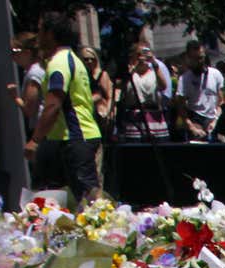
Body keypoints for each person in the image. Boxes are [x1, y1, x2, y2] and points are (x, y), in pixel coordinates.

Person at [25, 11, 100, 202]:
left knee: (86, 200)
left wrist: (35, 140)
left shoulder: (58, 64)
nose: (37, 36)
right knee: (58, 198)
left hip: (74, 138)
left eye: (41, 30)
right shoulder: (72, 59)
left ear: (51, 34)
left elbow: (53, 105)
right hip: (67, 138)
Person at [116, 43, 169, 141]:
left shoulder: (154, 72)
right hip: (134, 120)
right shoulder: (130, 73)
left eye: (144, 53)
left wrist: (154, 63)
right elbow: (120, 86)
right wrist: (132, 70)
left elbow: (163, 86)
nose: (141, 57)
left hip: (154, 119)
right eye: (138, 54)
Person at [176, 41, 225, 140]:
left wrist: (215, 121)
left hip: (213, 117)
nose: (200, 61)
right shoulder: (185, 79)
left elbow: (221, 101)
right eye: (196, 58)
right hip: (196, 116)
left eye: (201, 57)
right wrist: (192, 127)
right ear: (189, 58)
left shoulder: (215, 74)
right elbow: (180, 106)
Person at [79, 47, 112, 138]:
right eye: (86, 59)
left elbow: (109, 96)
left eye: (92, 59)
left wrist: (108, 113)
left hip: (100, 112)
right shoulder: (81, 75)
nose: (89, 61)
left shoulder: (102, 74)